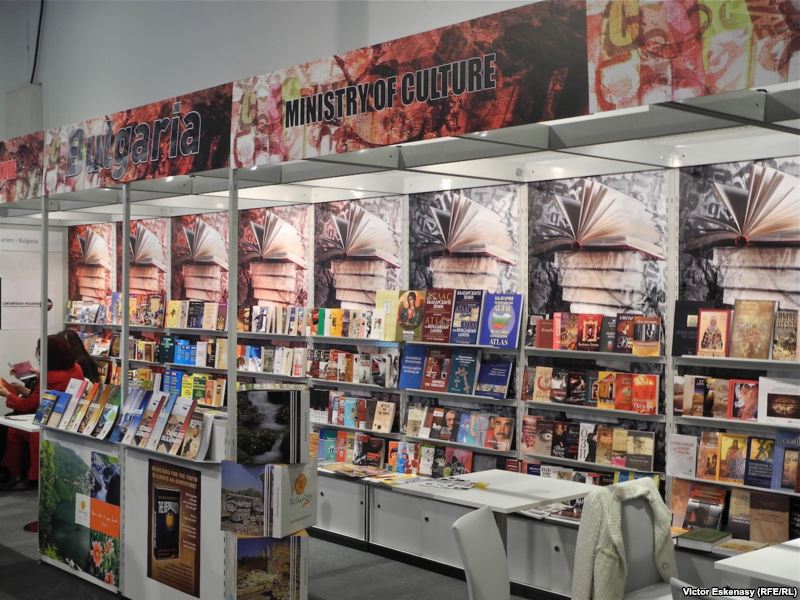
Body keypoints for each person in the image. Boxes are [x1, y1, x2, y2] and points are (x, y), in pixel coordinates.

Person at [0, 335, 83, 490]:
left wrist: (7, 394)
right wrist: (35, 375)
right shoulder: (76, 369)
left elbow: (27, 405)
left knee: (13, 430)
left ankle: (16, 473)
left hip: (49, 421)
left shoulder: (49, 377)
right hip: (67, 419)